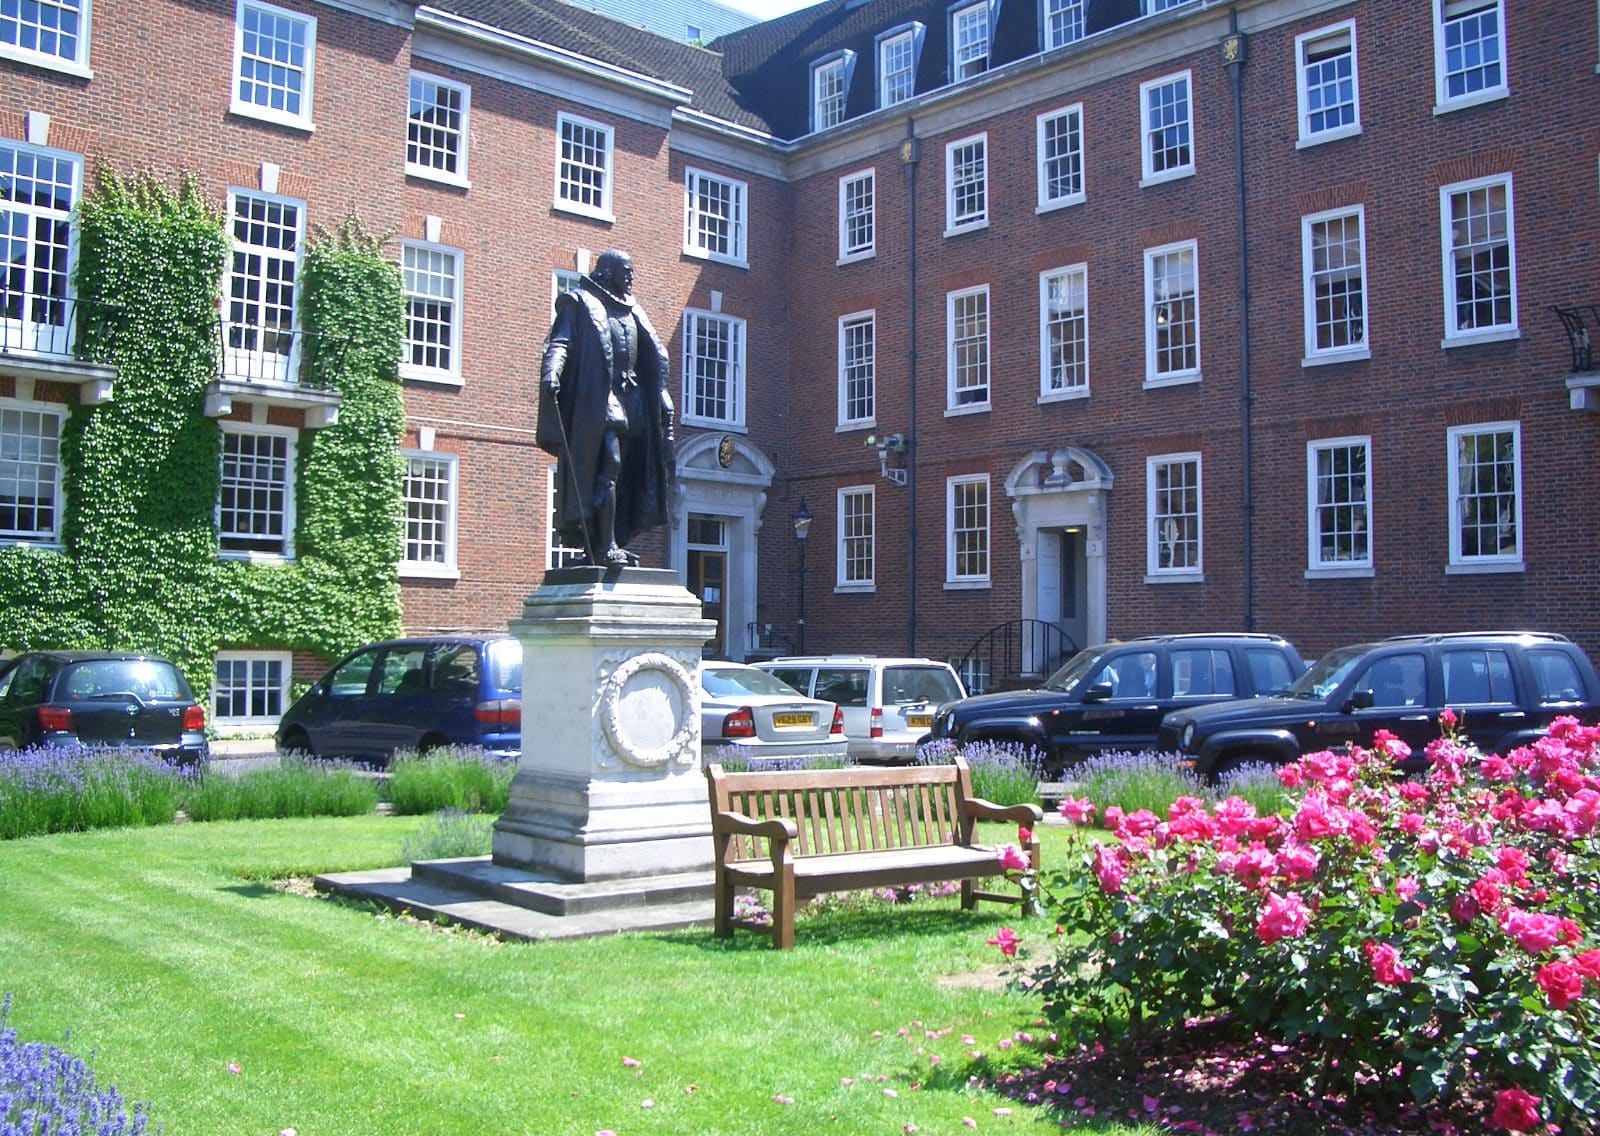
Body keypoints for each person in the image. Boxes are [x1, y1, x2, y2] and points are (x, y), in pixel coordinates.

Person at [536, 250, 675, 566]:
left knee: (625, 472)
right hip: (600, 399)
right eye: (626, 270)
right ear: (608, 270)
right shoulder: (580, 302)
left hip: (634, 401)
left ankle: (611, 539)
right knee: (610, 464)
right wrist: (551, 373)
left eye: (632, 271)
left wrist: (662, 397)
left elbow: (651, 357)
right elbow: (560, 343)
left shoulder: (632, 309)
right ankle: (606, 544)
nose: (630, 277)